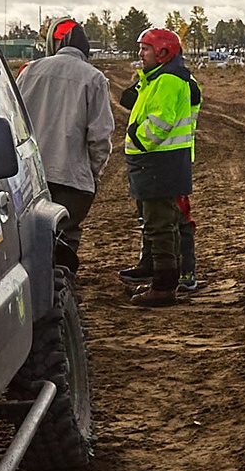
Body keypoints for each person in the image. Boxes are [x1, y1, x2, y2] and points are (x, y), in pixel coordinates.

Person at [15, 19, 114, 273]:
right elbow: (100, 136)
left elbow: (12, 121)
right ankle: (61, 294)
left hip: (30, 177)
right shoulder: (94, 78)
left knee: (29, 241)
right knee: (64, 242)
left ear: (56, 43)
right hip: (72, 179)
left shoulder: (29, 71)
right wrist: (93, 173)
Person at [116, 26, 200, 307]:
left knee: (161, 225)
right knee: (157, 224)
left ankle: (164, 288)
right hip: (158, 161)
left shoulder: (168, 81)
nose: (140, 54)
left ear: (163, 52)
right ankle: (162, 278)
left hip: (159, 161)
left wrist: (136, 140)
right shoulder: (160, 78)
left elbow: (159, 123)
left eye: (145, 49)